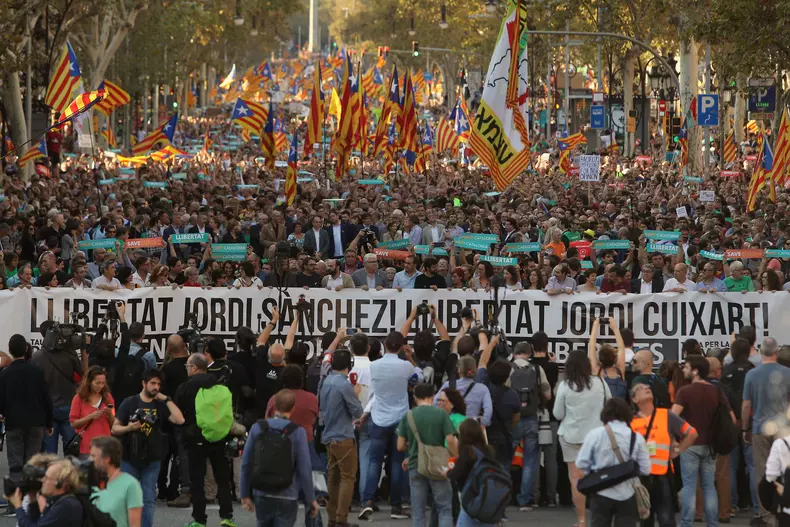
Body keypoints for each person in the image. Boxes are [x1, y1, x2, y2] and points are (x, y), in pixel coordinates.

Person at [358, 331, 422, 521]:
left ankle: (367, 501)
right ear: (402, 346)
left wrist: (365, 414)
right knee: (396, 463)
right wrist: (410, 357)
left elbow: (373, 394)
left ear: (385, 345)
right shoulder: (405, 367)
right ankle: (396, 506)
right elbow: (420, 377)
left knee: (373, 461)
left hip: (378, 419)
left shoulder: (374, 366)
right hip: (400, 421)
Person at [113, 368, 186, 527]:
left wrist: (166, 399)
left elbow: (180, 420)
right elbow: (114, 428)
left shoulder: (159, 404)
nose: (156, 387)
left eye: (158, 384)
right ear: (144, 383)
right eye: (152, 383)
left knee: (148, 498)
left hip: (152, 458)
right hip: (129, 457)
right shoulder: (129, 402)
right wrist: (129, 428)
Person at [241, 389, 320, 527]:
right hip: (287, 493)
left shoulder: (257, 428)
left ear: (274, 406)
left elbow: (246, 463)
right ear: (293, 408)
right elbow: (304, 468)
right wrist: (311, 499)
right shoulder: (297, 432)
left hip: (261, 492)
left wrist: (244, 494)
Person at [671, 355, 735, 527]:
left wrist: (676, 439)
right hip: (711, 445)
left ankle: (687, 523)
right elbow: (732, 419)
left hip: (690, 445)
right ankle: (713, 523)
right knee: (709, 486)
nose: (683, 370)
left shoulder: (684, 392)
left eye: (686, 367)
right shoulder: (717, 391)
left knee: (690, 486)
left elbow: (671, 418)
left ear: (695, 371)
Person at [174, 353, 236, 527]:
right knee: (222, 478)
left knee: (197, 480)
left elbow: (179, 414)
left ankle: (199, 519)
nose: (187, 369)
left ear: (194, 368)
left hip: (195, 438)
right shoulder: (218, 384)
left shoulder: (185, 388)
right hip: (218, 435)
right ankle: (227, 516)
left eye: (187, 366)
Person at [554, 350, 612, 527]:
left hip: (571, 436)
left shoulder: (565, 386)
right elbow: (609, 405)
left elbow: (558, 414)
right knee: (598, 478)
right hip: (596, 437)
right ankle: (600, 519)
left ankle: (581, 520)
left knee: (576, 479)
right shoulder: (600, 383)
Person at [630, 383, 698, 527]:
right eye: (640, 389)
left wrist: (678, 451)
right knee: (644, 519)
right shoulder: (631, 421)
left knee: (666, 518)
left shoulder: (666, 415)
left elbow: (692, 433)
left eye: (648, 388)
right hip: (640, 477)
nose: (646, 388)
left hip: (662, 476)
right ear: (635, 399)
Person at [576, 398, 652, 527]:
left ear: (605, 414)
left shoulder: (595, 434)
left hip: (600, 492)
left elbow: (581, 463)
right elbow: (646, 469)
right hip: (628, 493)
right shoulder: (636, 437)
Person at [742, 337, 790, 526]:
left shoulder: (752, 375)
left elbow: (746, 405)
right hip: (784, 430)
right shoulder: (788, 373)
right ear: (776, 352)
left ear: (761, 352)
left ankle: (766, 513)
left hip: (760, 429)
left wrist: (745, 427)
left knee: (761, 472)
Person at [396, 383, 457, 527]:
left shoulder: (408, 415)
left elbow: (399, 446)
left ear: (415, 397)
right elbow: (450, 439)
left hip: (415, 465)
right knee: (444, 508)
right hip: (439, 466)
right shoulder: (441, 414)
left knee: (418, 511)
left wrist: (411, 450)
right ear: (433, 396)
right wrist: (454, 456)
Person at [0, 334, 52, 503]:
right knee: (32, 463)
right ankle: (31, 501)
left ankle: (14, 502)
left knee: (16, 464)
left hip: (14, 423)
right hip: (36, 423)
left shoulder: (6, 374)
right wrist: (49, 422)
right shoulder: (37, 372)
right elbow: (46, 398)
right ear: (27, 349)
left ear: (10, 350)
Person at [319, 348, 363, 527]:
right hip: (343, 436)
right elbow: (358, 412)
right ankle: (342, 518)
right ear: (349, 365)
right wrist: (357, 393)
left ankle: (331, 518)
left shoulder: (326, 381)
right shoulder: (345, 385)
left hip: (329, 436)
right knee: (348, 477)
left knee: (333, 478)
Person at [508, 341, 552, 510]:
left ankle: (503, 496)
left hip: (513, 420)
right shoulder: (537, 370)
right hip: (532, 419)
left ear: (515, 352)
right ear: (530, 353)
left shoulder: (509, 368)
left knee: (506, 459)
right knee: (530, 460)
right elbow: (548, 393)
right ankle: (525, 500)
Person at [31, 323, 86, 455]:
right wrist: (84, 352)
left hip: (47, 409)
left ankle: (52, 474)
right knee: (72, 449)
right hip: (68, 406)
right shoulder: (70, 356)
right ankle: (70, 474)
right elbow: (85, 374)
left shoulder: (36, 357)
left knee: (50, 453)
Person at [160, 334, 192, 507]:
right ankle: (175, 486)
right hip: (187, 416)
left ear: (170, 349)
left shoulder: (167, 369)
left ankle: (164, 488)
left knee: (167, 454)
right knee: (182, 454)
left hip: (169, 415)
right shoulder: (191, 366)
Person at [447, 419, 498, 527]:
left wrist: (447, 472)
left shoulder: (466, 451)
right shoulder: (488, 451)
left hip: (471, 500)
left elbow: (455, 475)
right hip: (489, 499)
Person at [7, 459, 83, 527]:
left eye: (47, 478)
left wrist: (18, 506)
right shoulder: (58, 500)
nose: (43, 480)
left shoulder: (66, 506)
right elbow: (38, 522)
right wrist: (33, 499)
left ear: (59, 483)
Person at [90, 436, 144, 527]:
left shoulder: (130, 485)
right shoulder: (90, 482)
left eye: (93, 456)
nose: (89, 460)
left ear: (107, 459)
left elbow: (134, 525)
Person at [69, 365, 115, 456]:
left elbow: (114, 424)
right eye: (97, 383)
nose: (100, 386)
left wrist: (109, 414)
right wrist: (90, 416)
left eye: (103, 383)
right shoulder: (78, 398)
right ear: (89, 382)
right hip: (86, 448)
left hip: (105, 447)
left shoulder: (108, 398)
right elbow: (73, 424)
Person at [588, 317, 628, 400]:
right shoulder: (620, 371)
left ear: (599, 358)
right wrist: (615, 328)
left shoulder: (597, 371)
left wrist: (595, 326)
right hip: (620, 411)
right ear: (615, 357)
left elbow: (591, 347)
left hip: (603, 411)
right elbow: (621, 348)